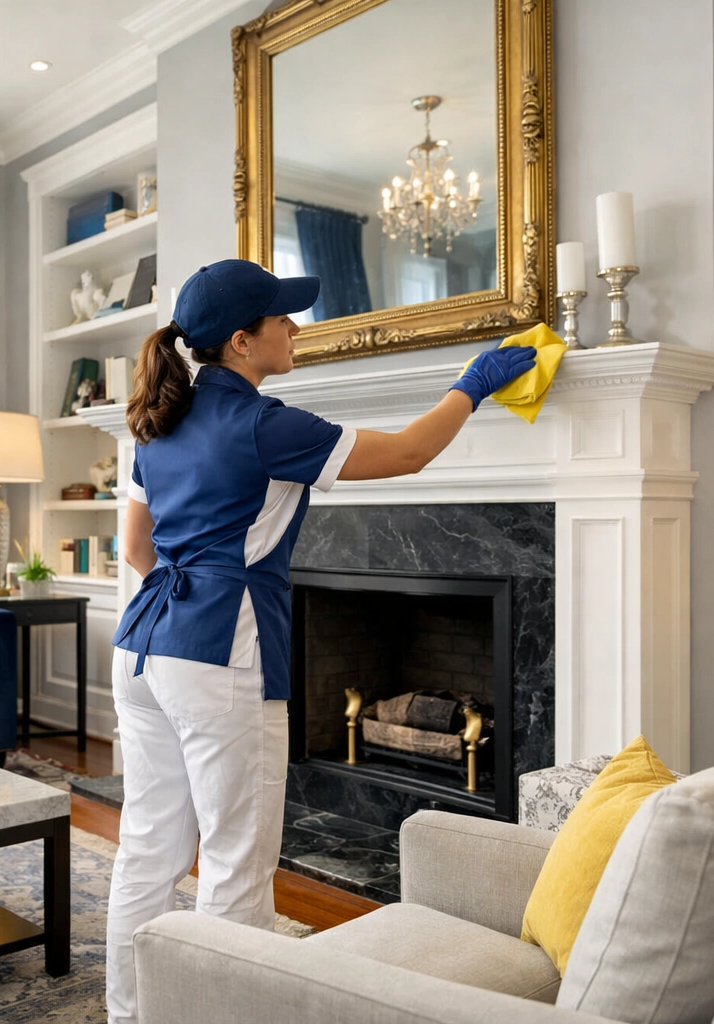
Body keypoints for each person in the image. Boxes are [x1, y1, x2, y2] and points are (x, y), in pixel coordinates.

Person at [104, 259, 536, 1023]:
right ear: (242, 342)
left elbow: (138, 549)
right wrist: (473, 384)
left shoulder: (150, 421)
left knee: (147, 847)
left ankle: (130, 1013)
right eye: (282, 319)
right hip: (219, 653)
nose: (295, 328)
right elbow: (407, 454)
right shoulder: (266, 425)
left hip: (143, 647)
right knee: (235, 861)